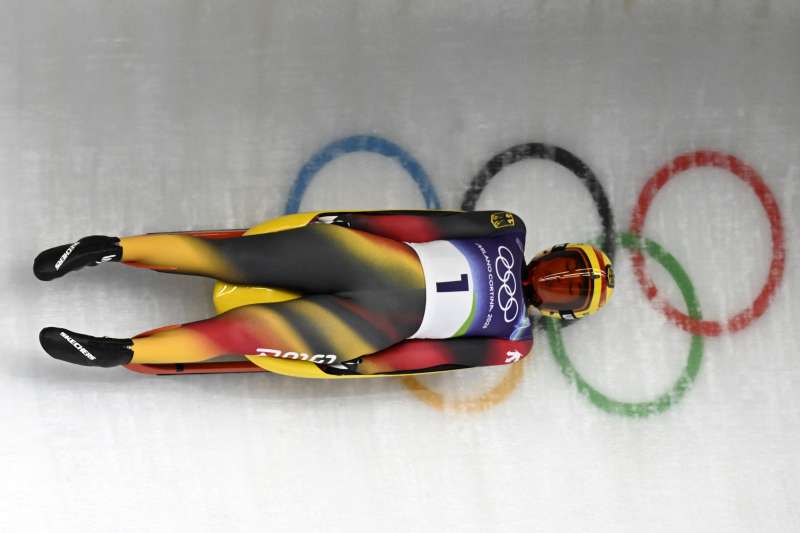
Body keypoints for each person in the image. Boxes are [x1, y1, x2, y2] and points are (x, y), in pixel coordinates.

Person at [33, 210, 614, 376]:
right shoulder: (507, 232)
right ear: (549, 252)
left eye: (565, 291)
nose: (549, 281)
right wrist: (357, 224)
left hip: (375, 314)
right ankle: (107, 250)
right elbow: (428, 225)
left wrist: (366, 365)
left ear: (559, 313)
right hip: (372, 269)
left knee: (242, 329)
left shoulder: (513, 341)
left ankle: (119, 349)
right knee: (233, 261)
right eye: (562, 269)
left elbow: (433, 355)